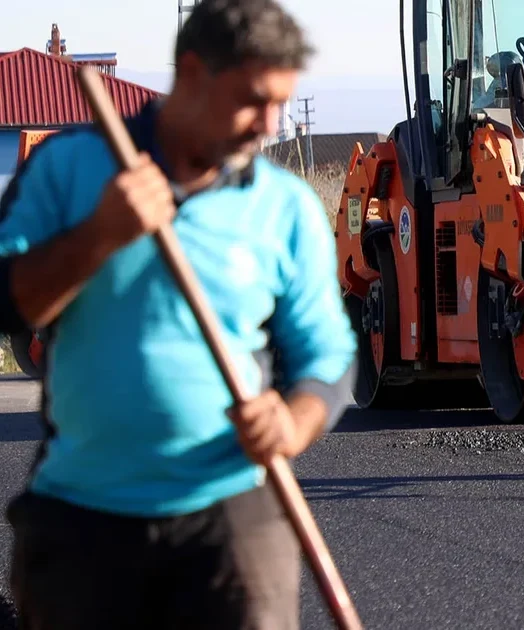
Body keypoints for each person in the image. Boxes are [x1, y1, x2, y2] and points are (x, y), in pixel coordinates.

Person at [0, 0, 357, 627]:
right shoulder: (68, 167)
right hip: (81, 523)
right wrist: (98, 237)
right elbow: (6, 302)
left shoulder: (284, 207)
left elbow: (326, 358)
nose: (269, 126)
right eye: (254, 100)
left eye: (281, 103)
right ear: (193, 73)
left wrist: (294, 423)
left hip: (231, 518)